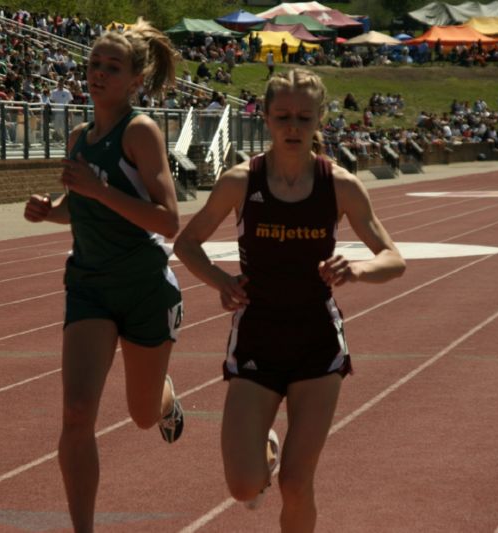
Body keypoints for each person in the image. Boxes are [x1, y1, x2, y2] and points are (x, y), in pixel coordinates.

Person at [173, 69, 406, 530]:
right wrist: (221, 280)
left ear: (320, 118)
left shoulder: (339, 185)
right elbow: (187, 243)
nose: (293, 127)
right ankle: (267, 448)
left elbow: (393, 257)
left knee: (297, 484)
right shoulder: (241, 181)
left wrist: (357, 270)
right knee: (243, 486)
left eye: (304, 116)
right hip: (257, 338)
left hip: (317, 344)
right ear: (265, 117)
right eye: (283, 116)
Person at [23, 18, 184, 533]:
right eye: (94, 63)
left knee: (140, 416)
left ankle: (162, 394)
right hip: (89, 287)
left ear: (135, 80)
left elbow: (168, 220)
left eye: (112, 67)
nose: (98, 73)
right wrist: (52, 211)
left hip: (143, 287)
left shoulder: (140, 131)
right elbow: (84, 206)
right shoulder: (79, 136)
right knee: (75, 415)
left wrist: (96, 191)